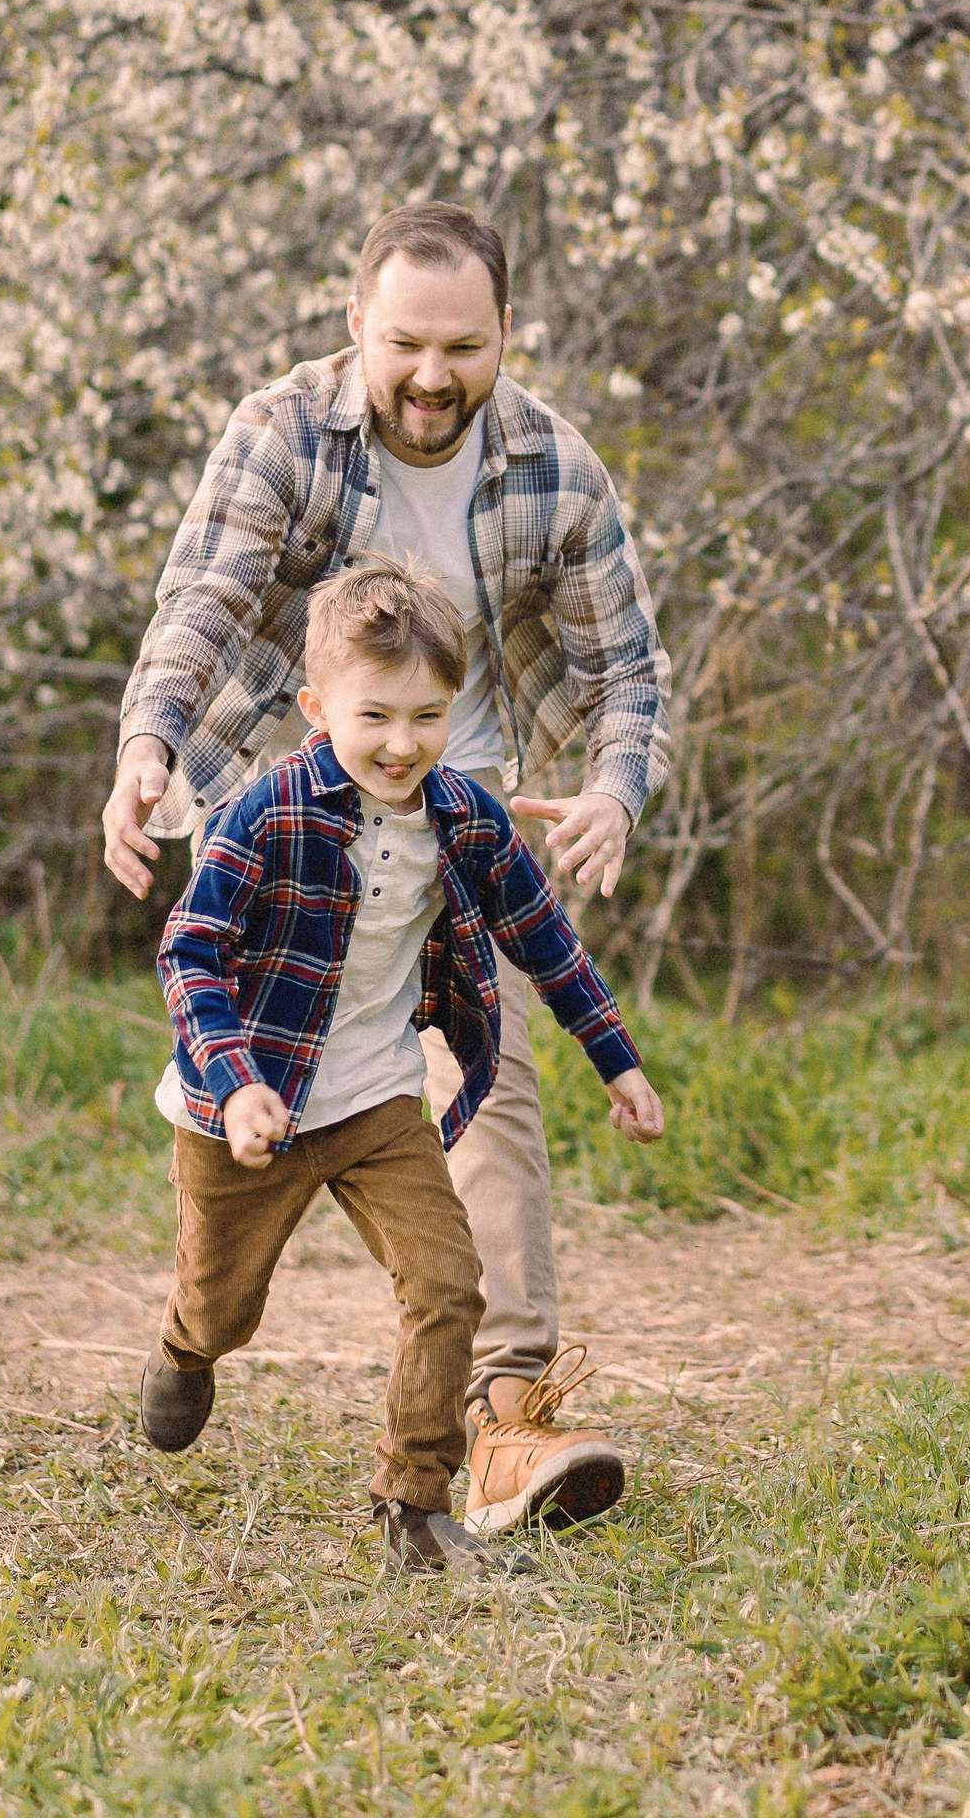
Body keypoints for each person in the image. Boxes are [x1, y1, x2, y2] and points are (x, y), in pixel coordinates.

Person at [103, 200, 671, 1534]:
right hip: (287, 828)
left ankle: (502, 1424)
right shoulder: (284, 433)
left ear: (505, 336)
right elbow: (203, 601)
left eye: (463, 347)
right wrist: (148, 744)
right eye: (404, 343)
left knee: (493, 1089)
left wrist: (613, 792)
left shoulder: (555, 467)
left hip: (457, 835)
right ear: (356, 327)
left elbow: (626, 671)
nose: (432, 375)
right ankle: (197, 1328)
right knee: (239, 1202)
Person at [145, 558, 665, 1575]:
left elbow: (543, 939)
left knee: (448, 1284)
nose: (399, 744)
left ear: (453, 711)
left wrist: (616, 1062)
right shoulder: (269, 813)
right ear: (315, 707)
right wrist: (237, 1079)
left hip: (378, 1100)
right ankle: (184, 1344)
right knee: (224, 1301)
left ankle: (415, 1507)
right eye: (373, 715)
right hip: (244, 1106)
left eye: (425, 717)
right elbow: (188, 949)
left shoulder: (465, 816)